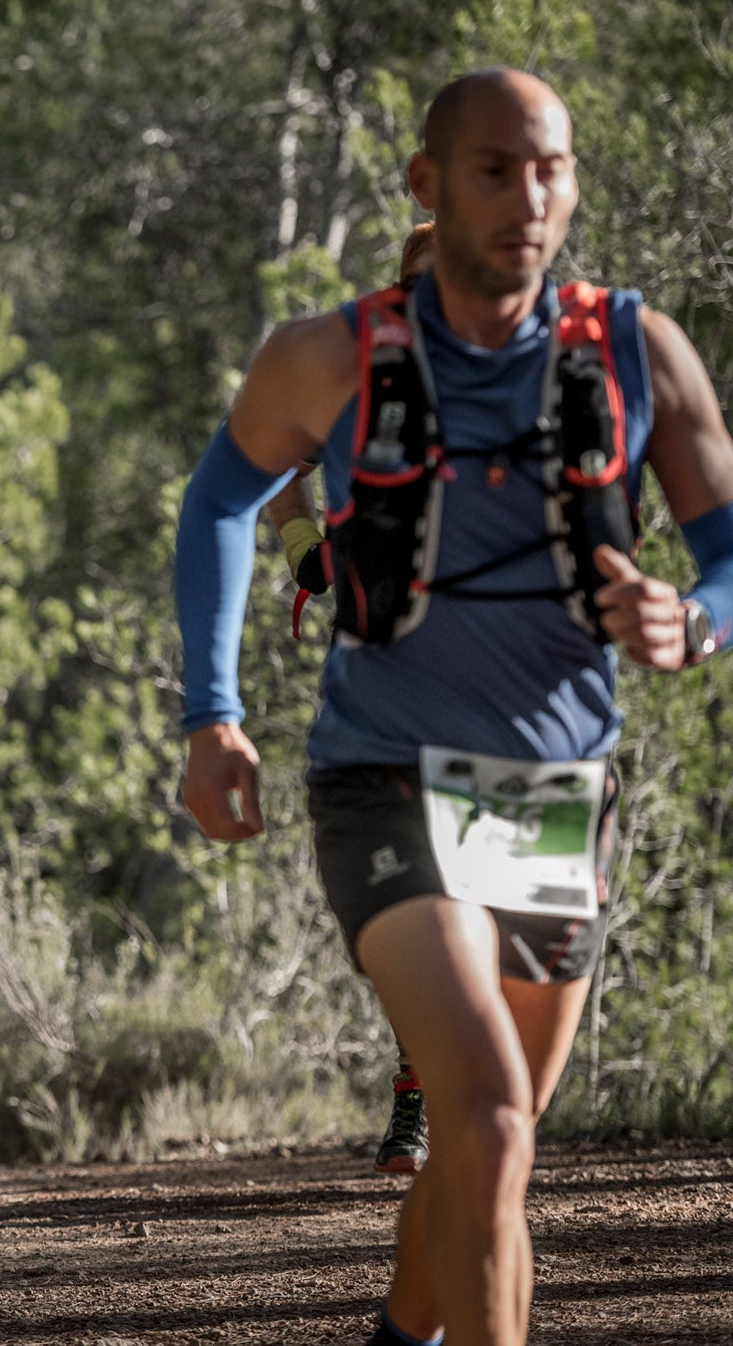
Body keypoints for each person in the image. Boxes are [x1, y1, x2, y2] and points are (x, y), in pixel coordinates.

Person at [176, 68, 733, 1346]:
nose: (526, 198)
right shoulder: (331, 355)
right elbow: (217, 502)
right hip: (383, 776)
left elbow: (724, 556)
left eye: (549, 169)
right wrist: (211, 712)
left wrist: (691, 621)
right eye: (493, 169)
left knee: (492, 1153)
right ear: (425, 184)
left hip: (551, 793)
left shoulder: (635, 351)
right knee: (479, 1114)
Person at [264, 221, 438, 1178]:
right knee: (393, 917)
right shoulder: (357, 397)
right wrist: (311, 555)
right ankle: (418, 1087)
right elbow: (273, 477)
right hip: (382, 706)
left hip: (511, 711)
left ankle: (468, 1098)